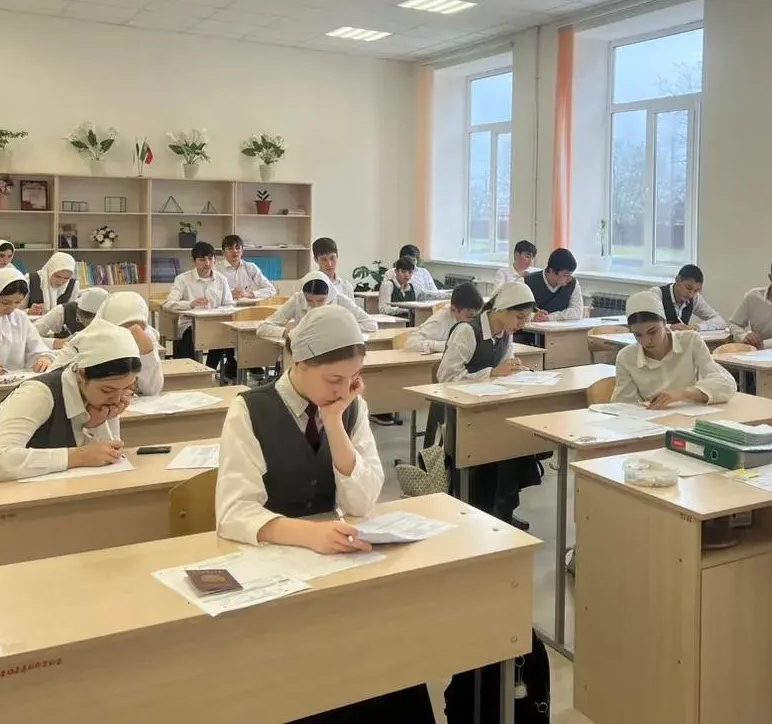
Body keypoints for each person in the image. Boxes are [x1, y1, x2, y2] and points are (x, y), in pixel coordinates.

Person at [215, 306, 435, 722]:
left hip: (334, 558)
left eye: (353, 379)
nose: (344, 389)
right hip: (272, 563)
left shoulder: (350, 406)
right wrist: (310, 535)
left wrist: (334, 423)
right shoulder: (250, 409)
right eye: (333, 380)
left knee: (391, 657)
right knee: (310, 669)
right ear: (299, 362)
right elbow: (233, 511)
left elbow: (361, 503)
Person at [0, 324, 142, 482]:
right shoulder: (38, 394)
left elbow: (106, 460)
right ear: (81, 375)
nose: (117, 400)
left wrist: (95, 425)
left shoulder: (107, 398)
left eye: (127, 389)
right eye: (107, 390)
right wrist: (77, 456)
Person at [438, 280, 539, 529]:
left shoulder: (505, 334)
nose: (522, 324)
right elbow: (446, 378)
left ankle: (503, 508)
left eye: (526, 319)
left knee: (517, 442)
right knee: (500, 442)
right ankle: (487, 511)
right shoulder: (467, 331)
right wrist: (492, 373)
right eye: (519, 317)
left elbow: (505, 365)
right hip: (465, 413)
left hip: (493, 407)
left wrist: (518, 370)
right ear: (501, 309)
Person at [611, 291, 736, 406]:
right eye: (638, 335)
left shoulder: (690, 341)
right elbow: (623, 404)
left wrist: (683, 394)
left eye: (652, 332)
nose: (646, 341)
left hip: (691, 416)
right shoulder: (626, 357)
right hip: (652, 419)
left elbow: (725, 383)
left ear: (665, 323)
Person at [50, 293, 164, 396]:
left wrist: (148, 355)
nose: (131, 333)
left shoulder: (145, 338)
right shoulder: (84, 341)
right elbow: (53, 382)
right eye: (125, 327)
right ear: (109, 322)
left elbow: (152, 390)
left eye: (140, 327)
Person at [163, 241, 234, 366]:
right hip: (190, 325)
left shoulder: (221, 279)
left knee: (228, 336)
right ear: (194, 261)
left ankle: (210, 369)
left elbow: (229, 305)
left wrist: (219, 311)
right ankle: (191, 370)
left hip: (215, 324)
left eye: (210, 259)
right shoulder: (182, 279)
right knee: (187, 342)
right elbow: (168, 304)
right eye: (202, 260)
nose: (207, 263)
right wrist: (190, 304)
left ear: (215, 259)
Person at [256, 271, 377, 342]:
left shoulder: (340, 300)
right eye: (309, 300)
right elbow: (263, 327)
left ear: (328, 295)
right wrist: (285, 332)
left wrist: (341, 329)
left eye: (320, 300)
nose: (315, 305)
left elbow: (371, 324)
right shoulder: (297, 299)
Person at [406, 283, 483, 354]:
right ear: (453, 309)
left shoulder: (473, 321)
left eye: (476, 316)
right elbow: (410, 343)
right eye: (469, 316)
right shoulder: (439, 321)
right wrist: (443, 346)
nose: (473, 321)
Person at [658, 264, 727, 332]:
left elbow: (720, 321)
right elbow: (651, 324)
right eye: (688, 288)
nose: (691, 294)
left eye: (696, 290)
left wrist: (697, 327)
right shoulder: (657, 294)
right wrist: (670, 327)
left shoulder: (695, 298)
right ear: (678, 280)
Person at [523, 247, 584, 322]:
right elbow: (519, 310)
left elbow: (577, 312)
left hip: (560, 328)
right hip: (531, 328)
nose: (569, 279)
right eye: (565, 275)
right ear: (551, 270)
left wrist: (550, 317)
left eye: (570, 274)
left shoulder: (573, 283)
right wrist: (533, 316)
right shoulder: (528, 281)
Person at [34, 287, 108, 344]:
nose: (87, 326)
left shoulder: (111, 316)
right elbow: (30, 336)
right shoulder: (61, 311)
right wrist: (58, 342)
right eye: (81, 320)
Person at [217, 234, 277, 301]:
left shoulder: (251, 268)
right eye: (230, 248)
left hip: (248, 305)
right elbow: (211, 295)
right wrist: (229, 294)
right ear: (223, 252)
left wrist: (248, 294)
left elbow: (271, 290)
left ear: (242, 251)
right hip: (226, 306)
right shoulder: (216, 269)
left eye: (237, 248)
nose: (235, 251)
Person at [381, 244, 445, 296]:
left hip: (422, 305)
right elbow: (385, 294)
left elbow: (434, 292)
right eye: (408, 260)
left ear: (417, 260)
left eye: (413, 260)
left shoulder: (424, 272)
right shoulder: (391, 272)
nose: (411, 263)